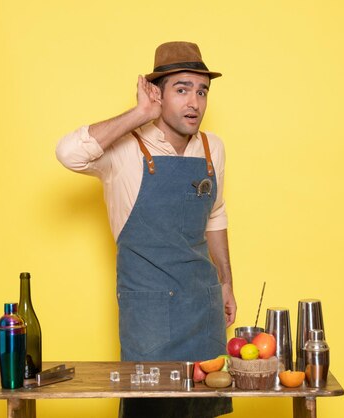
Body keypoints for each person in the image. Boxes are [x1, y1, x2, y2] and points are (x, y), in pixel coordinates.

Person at [56, 41, 236, 417]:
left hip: (203, 309)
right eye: (182, 89)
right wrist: (138, 114)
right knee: (151, 412)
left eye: (202, 91)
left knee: (203, 412)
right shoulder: (124, 150)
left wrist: (226, 284)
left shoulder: (212, 148)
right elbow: (68, 153)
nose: (195, 103)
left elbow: (215, 215)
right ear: (157, 92)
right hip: (150, 317)